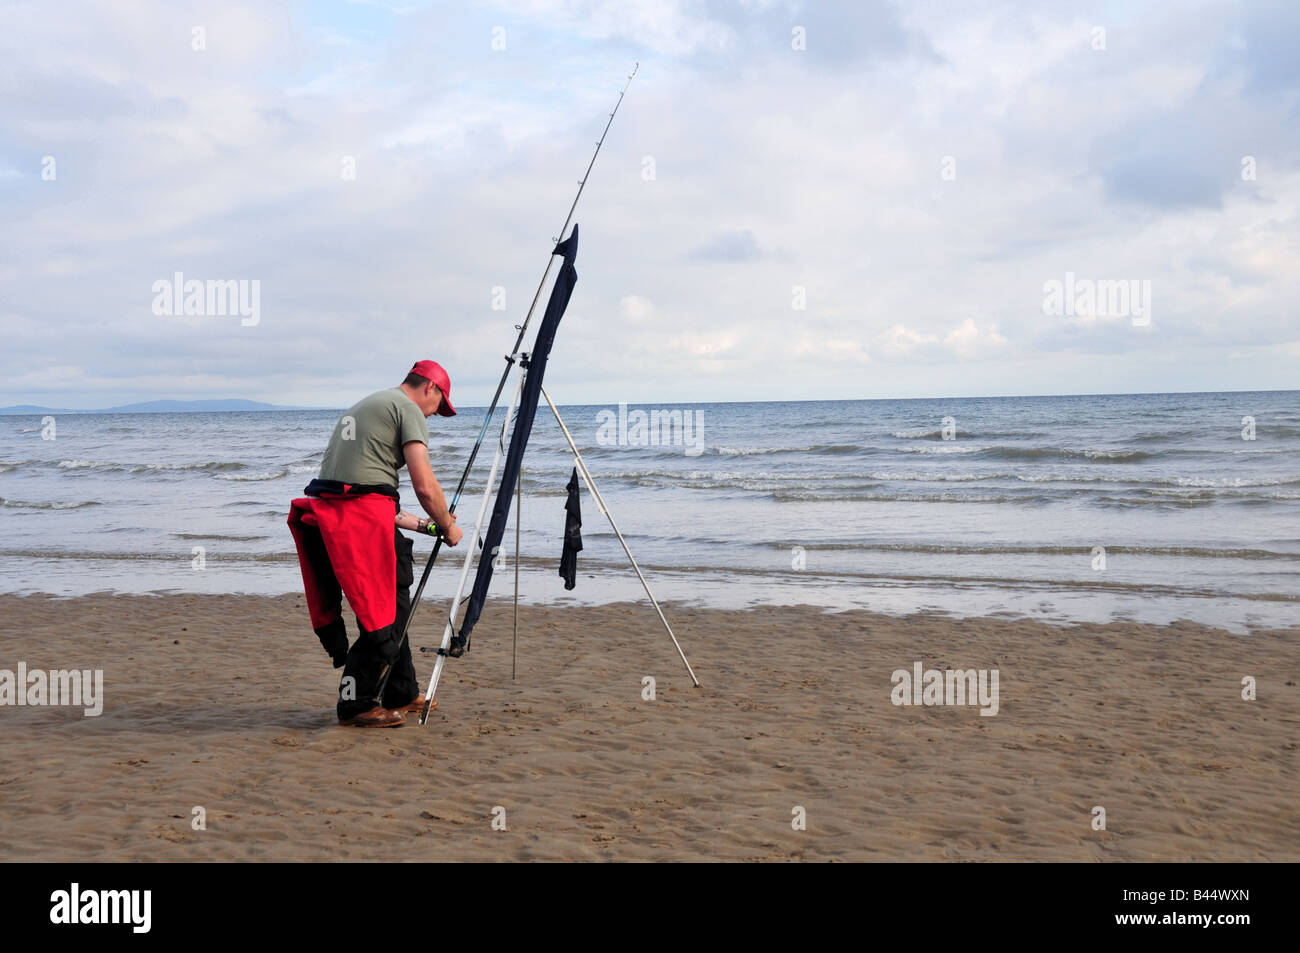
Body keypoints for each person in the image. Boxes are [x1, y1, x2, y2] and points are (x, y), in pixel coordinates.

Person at [288, 360, 464, 728]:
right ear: (429, 388)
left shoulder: (373, 405)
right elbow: (424, 485)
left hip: (337, 518)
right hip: (358, 523)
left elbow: (370, 496)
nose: (432, 417)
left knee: (392, 607)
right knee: (382, 617)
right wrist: (448, 524)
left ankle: (400, 690)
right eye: (438, 407)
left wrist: (430, 528)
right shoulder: (408, 409)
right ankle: (355, 704)